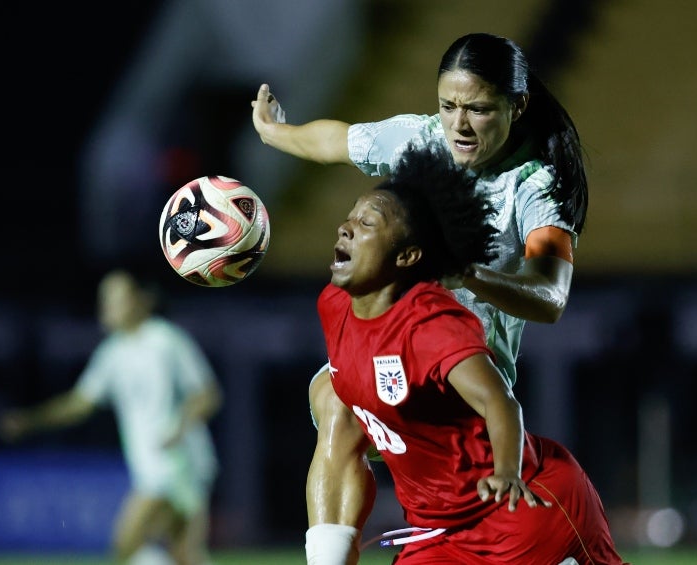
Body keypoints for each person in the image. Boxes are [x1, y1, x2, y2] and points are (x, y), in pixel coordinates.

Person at [304, 145, 626, 564]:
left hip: (516, 510)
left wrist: (507, 473)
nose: (346, 227)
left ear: (407, 256)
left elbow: (499, 401)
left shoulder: (430, 324)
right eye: (351, 215)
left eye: (367, 222)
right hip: (437, 530)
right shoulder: (334, 304)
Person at [252, 32, 587, 389]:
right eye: (448, 106)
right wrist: (272, 131)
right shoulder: (419, 139)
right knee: (330, 396)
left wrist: (468, 276)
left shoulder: (536, 187)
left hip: (461, 381)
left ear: (516, 106)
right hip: (392, 350)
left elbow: (550, 297)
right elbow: (335, 141)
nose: (459, 124)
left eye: (477, 109)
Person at [0, 271, 222, 565]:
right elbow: (79, 404)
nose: (106, 307)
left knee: (126, 545)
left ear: (142, 301)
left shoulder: (166, 340)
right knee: (183, 555)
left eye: (116, 299)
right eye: (104, 300)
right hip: (151, 466)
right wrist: (29, 420)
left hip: (178, 463)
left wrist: (180, 427)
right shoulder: (112, 354)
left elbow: (207, 394)